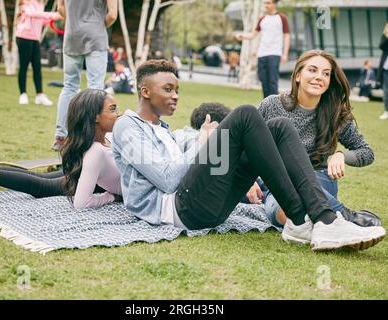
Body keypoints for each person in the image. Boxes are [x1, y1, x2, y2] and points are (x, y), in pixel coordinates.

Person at [112, 59, 385, 251]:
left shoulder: (162, 128)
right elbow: (168, 179)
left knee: (279, 127)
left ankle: (304, 222)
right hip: (180, 209)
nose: (175, 97)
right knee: (245, 114)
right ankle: (315, 219)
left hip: (210, 207)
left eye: (177, 90)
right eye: (168, 90)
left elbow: (188, 167)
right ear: (145, 92)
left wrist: (207, 144)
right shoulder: (127, 125)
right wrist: (204, 143)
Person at [248, 50, 381, 228]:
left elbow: (366, 152)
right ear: (297, 76)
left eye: (326, 74)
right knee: (282, 210)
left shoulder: (335, 113)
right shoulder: (272, 105)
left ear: (329, 81)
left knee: (297, 193)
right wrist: (248, 182)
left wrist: (341, 155)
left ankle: (337, 217)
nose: (319, 77)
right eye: (312, 70)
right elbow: (247, 144)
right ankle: (338, 219)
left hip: (319, 178)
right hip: (276, 183)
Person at [0, 89, 122, 209]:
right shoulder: (97, 150)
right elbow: (81, 203)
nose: (118, 113)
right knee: (42, 185)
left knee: (42, 181)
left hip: (101, 173)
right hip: (100, 175)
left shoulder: (107, 138)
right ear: (95, 117)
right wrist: (110, 197)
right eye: (113, 109)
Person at [52, 0, 118, 151]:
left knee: (69, 86)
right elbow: (112, 15)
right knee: (95, 89)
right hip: (96, 37)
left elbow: (61, 8)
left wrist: (76, 23)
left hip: (72, 36)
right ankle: (89, 138)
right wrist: (98, 27)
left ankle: (61, 136)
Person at [235, 0, 290, 98]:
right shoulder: (262, 19)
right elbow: (253, 35)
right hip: (262, 54)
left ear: (274, 4)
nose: (266, 5)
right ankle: (266, 105)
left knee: (272, 82)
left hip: (274, 54)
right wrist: (242, 36)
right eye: (265, 3)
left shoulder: (282, 18)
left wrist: (285, 54)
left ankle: (274, 107)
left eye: (268, 3)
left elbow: (287, 36)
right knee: (263, 81)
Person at [15, 0, 60, 106]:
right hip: (23, 37)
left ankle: (40, 95)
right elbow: (31, 14)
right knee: (24, 67)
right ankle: (23, 94)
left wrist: (53, 18)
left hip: (35, 39)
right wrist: (52, 14)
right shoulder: (26, 2)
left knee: (37, 67)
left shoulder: (40, 5)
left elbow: (39, 20)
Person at [377, 22, 388, 120]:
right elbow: (381, 46)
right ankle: (386, 111)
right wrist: (387, 35)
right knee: (386, 91)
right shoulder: (385, 37)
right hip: (386, 69)